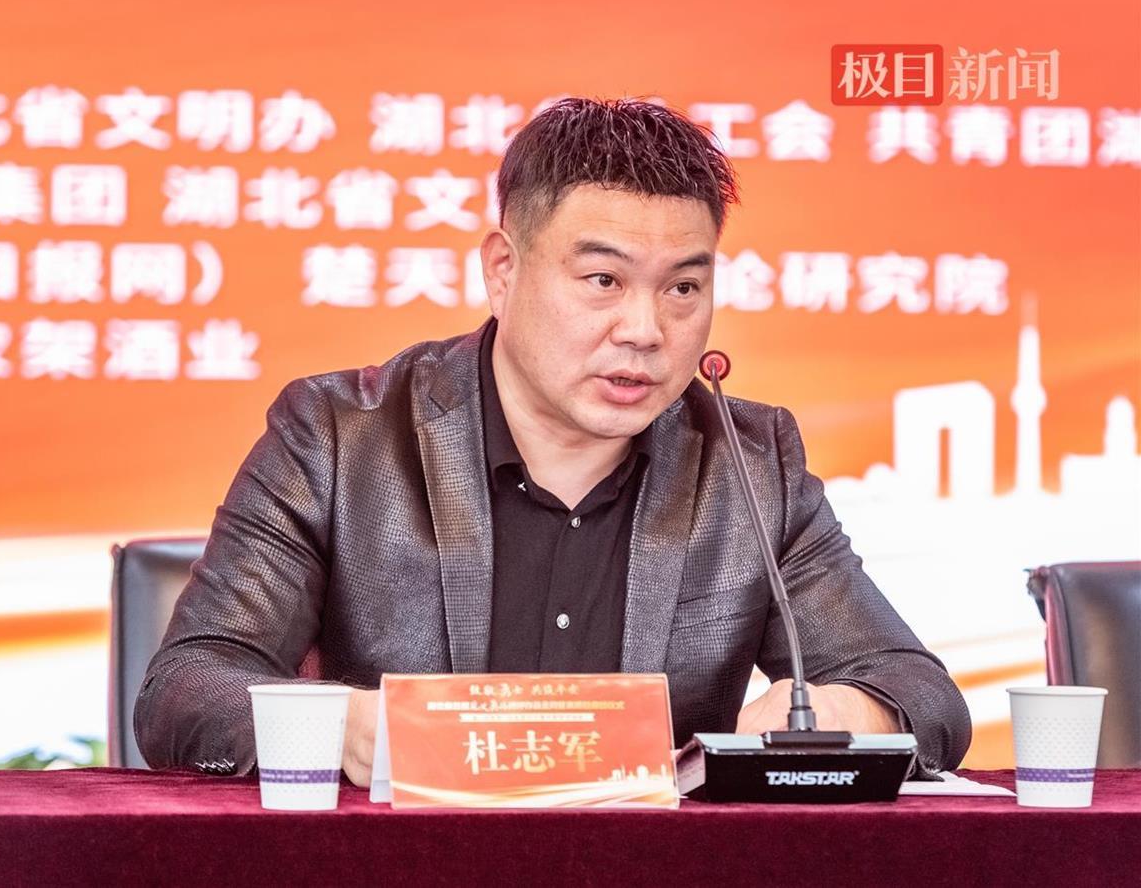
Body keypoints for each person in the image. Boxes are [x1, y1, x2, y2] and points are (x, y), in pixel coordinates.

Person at [135, 96, 971, 785]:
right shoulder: (338, 436)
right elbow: (186, 687)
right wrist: (343, 726)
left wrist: (848, 710)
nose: (645, 330)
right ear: (503, 269)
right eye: (603, 280)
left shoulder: (749, 465)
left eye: (684, 288)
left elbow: (921, 693)